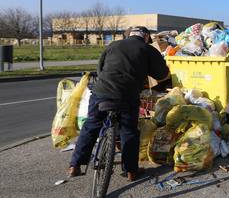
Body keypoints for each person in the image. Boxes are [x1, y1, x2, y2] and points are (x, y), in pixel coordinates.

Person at [68, 26, 169, 181]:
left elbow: (100, 68)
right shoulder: (148, 50)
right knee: (128, 131)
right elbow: (162, 74)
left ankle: (75, 165)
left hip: (101, 92)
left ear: (127, 35)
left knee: (92, 125)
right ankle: (131, 172)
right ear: (147, 37)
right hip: (127, 96)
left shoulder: (113, 46)